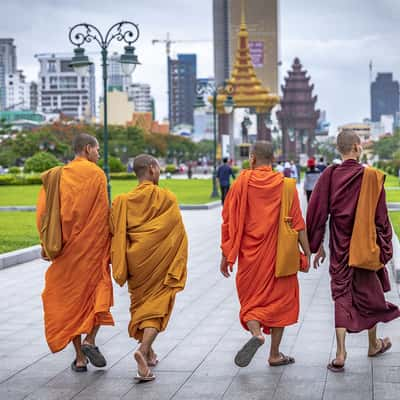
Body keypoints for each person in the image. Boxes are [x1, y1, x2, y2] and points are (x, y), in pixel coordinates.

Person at [307, 130, 400, 373]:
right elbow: (381, 219)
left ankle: (341, 352)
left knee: (341, 295)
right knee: (371, 293)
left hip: (340, 246)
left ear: (339, 149)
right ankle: (373, 344)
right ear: (358, 148)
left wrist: (317, 246)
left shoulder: (330, 174)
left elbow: (317, 211)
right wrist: (385, 247)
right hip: (366, 246)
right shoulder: (370, 176)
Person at [220, 141, 311, 368]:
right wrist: (307, 252)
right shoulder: (286, 185)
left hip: (250, 256)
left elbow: (228, 221)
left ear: (252, 158)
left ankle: (257, 333)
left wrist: (226, 253)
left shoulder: (241, 183)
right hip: (280, 256)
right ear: (274, 159)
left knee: (251, 301)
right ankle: (274, 353)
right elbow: (298, 224)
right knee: (280, 302)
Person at [36, 133, 114, 373]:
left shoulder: (57, 176)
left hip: (66, 252)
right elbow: (103, 215)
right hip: (92, 251)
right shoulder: (96, 174)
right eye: (97, 150)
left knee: (70, 302)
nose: (99, 154)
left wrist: (46, 242)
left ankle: (80, 358)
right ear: (88, 149)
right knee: (98, 295)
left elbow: (43, 214)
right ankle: (90, 339)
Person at [110, 154, 188, 382]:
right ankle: (143, 351)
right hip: (160, 261)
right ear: (152, 169)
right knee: (157, 306)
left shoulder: (123, 200)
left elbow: (116, 232)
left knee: (141, 304)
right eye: (159, 167)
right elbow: (177, 233)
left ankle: (150, 352)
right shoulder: (167, 198)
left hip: (136, 261)